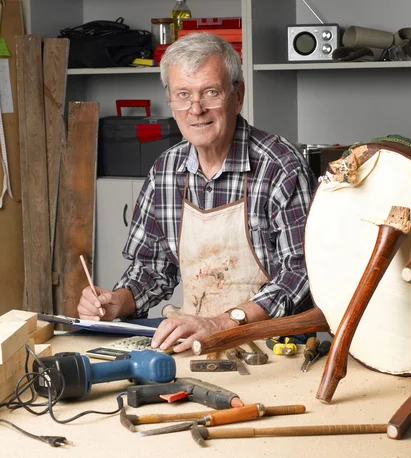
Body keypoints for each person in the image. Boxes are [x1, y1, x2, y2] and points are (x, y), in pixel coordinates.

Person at [77, 32, 317, 353]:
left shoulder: (281, 167)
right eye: (183, 95)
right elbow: (151, 268)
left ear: (238, 95)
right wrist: (115, 303)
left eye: (210, 93)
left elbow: (299, 275)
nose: (196, 109)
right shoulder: (166, 170)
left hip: (274, 341)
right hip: (196, 337)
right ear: (171, 101)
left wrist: (223, 322)